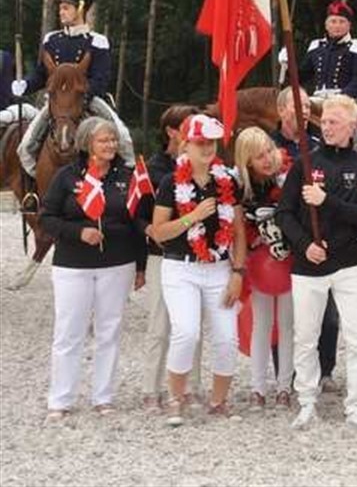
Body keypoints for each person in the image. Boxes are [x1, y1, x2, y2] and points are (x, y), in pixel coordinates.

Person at [277, 95, 357, 430]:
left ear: (351, 126)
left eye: (335, 122)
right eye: (325, 121)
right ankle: (306, 401)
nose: (328, 127)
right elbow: (284, 213)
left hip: (348, 265)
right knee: (306, 336)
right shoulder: (304, 163)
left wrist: (325, 200)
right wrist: (304, 245)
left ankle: (356, 406)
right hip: (309, 266)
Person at [40, 117, 148, 420]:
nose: (111, 144)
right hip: (73, 265)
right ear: (87, 143)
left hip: (118, 263)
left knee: (109, 330)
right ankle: (60, 398)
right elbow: (47, 218)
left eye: (113, 139)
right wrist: (78, 232)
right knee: (68, 331)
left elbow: (137, 223)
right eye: (104, 140)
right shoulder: (65, 177)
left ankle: (104, 396)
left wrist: (140, 266)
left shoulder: (127, 176)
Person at [148, 114, 247, 426]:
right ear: (186, 144)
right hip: (181, 268)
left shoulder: (227, 181)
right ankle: (176, 398)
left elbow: (239, 231)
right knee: (186, 332)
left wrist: (238, 272)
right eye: (201, 142)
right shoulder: (170, 183)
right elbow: (158, 232)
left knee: (227, 338)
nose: (207, 148)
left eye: (211, 143)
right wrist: (193, 217)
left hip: (219, 268)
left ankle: (219, 401)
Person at [13, 0, 133, 188]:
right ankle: (35, 189)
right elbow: (42, 74)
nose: (61, 12)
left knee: (123, 137)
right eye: (60, 8)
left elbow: (100, 79)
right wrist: (26, 85)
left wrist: (81, 97)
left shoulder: (97, 41)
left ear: (80, 8)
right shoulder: (52, 39)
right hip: (57, 103)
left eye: (66, 8)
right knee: (25, 147)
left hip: (88, 99)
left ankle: (127, 180)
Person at [271, 86, 340, 393]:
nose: (306, 110)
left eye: (309, 106)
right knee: (286, 315)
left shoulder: (320, 144)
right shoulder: (269, 145)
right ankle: (286, 372)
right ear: (281, 110)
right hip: (284, 237)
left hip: (320, 239)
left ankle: (325, 370)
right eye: (298, 105)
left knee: (328, 315)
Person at [140, 104, 204, 410]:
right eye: (189, 127)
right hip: (162, 254)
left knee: (192, 326)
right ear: (171, 132)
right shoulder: (154, 170)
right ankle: (151, 388)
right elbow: (138, 213)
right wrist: (150, 230)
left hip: (196, 256)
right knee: (160, 324)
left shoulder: (204, 167)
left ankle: (191, 386)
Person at [234, 127, 295, 412]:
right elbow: (238, 229)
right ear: (247, 162)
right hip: (260, 265)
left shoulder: (289, 176)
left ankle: (284, 387)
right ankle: (257, 387)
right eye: (259, 156)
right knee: (261, 324)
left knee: (287, 325)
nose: (267, 159)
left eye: (269, 151)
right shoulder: (240, 187)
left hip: (290, 261)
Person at [290, 0, 357, 105]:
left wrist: (340, 97)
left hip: (346, 101)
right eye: (333, 21)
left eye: (342, 22)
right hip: (318, 99)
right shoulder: (316, 46)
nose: (337, 26)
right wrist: (288, 63)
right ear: (326, 25)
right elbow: (300, 77)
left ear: (349, 25)